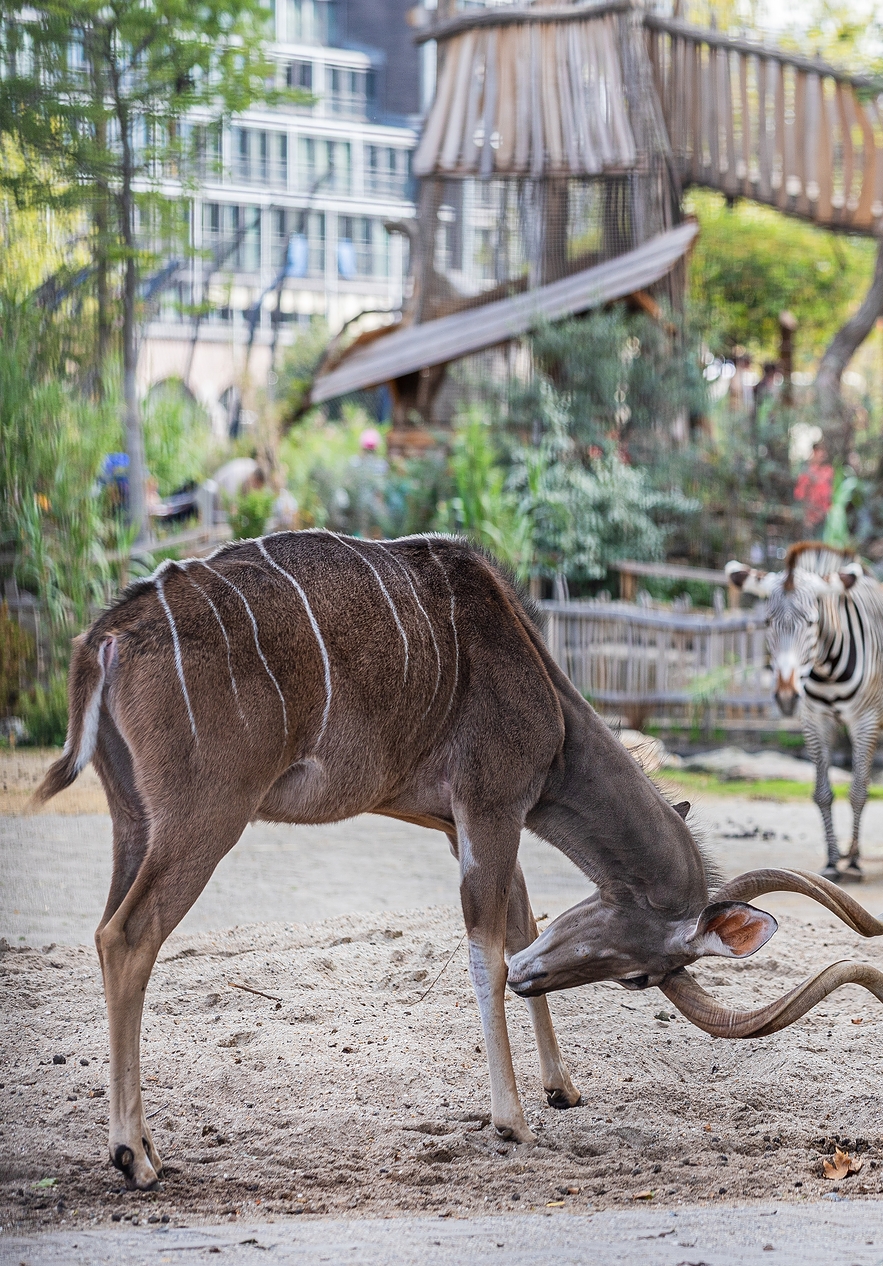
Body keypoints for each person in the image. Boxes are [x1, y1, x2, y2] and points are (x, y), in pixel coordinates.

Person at [794, 441, 834, 531]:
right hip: (811, 517)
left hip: (825, 516)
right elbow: (800, 495)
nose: (824, 455)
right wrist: (806, 516)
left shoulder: (828, 471)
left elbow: (831, 493)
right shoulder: (806, 472)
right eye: (821, 452)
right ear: (815, 452)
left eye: (824, 452)